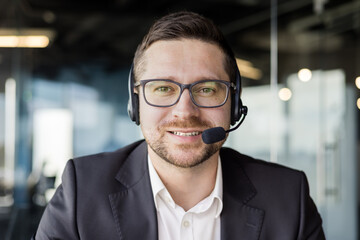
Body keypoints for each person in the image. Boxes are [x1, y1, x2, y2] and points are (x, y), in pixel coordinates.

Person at [33, 11, 325, 240]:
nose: (185, 111)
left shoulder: (288, 198)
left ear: (234, 104)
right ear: (135, 104)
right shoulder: (82, 192)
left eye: (207, 89)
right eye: (163, 89)